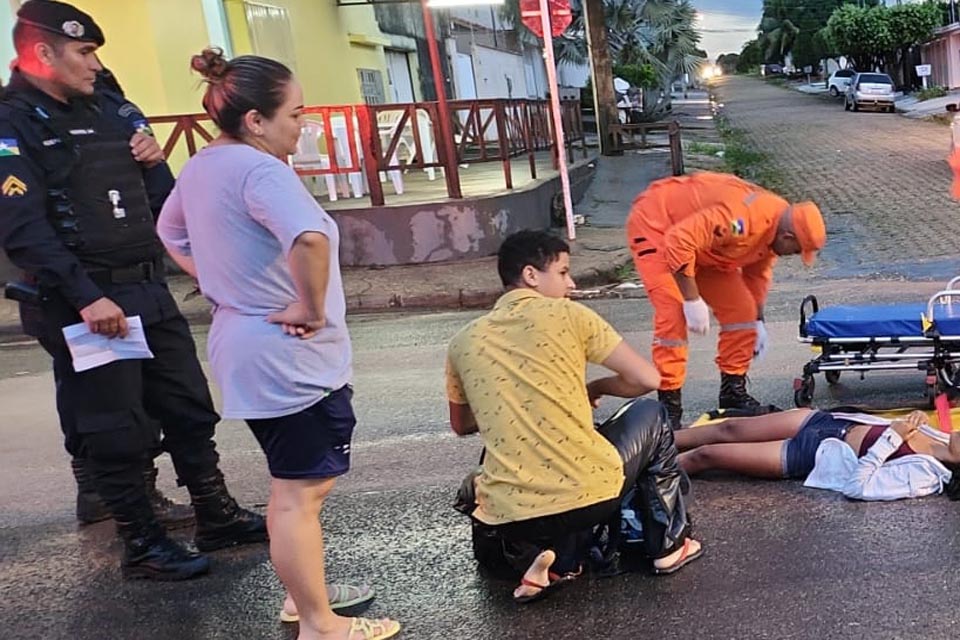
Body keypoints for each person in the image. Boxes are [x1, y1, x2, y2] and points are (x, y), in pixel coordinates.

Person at [0, 0, 266, 581]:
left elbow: (164, 200)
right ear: (43, 54)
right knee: (117, 428)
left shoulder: (114, 108)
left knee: (188, 405)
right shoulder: (12, 123)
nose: (96, 64)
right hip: (85, 302)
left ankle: (215, 514)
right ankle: (142, 542)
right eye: (84, 52)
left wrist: (152, 160)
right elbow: (21, 229)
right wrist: (85, 297)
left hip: (145, 286)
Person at [156, 48, 399, 640]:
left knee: (293, 485)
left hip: (246, 346)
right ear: (256, 120)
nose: (302, 125)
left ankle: (304, 594)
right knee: (299, 495)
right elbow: (310, 238)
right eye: (295, 114)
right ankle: (318, 622)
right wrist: (310, 308)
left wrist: (222, 279)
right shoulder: (260, 171)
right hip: (287, 355)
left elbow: (170, 232)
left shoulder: (202, 165)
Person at [446, 230, 703, 604]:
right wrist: (596, 388)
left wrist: (510, 404)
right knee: (652, 413)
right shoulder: (569, 315)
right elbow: (647, 379)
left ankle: (547, 561)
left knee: (513, 453)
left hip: (511, 514)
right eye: (563, 272)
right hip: (590, 496)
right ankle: (668, 546)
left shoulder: (463, 341)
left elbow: (461, 425)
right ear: (531, 275)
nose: (571, 284)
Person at [625, 172, 827, 429]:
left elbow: (757, 275)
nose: (793, 255)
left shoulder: (774, 224)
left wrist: (758, 320)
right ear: (787, 236)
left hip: (702, 245)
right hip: (658, 225)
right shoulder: (742, 219)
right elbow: (679, 242)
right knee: (673, 314)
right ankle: (669, 408)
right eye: (796, 250)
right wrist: (691, 299)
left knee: (742, 312)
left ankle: (733, 392)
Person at [675, 409, 958, 500]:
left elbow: (857, 488)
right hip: (830, 422)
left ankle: (651, 473)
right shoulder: (942, 436)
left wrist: (893, 437)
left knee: (707, 455)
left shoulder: (926, 477)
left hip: (810, 454)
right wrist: (914, 418)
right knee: (730, 427)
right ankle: (657, 438)